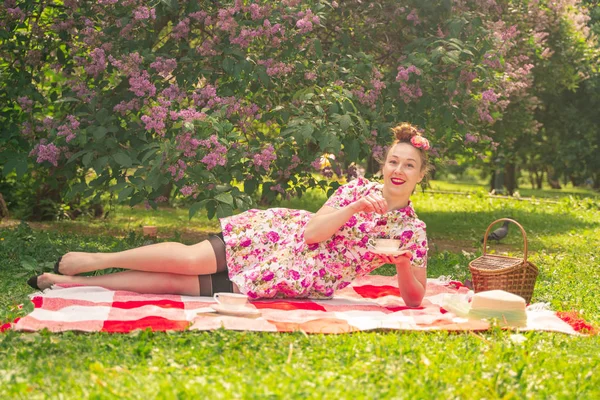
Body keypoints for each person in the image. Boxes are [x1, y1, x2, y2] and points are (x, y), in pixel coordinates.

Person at [28, 122, 431, 307]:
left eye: (408, 165)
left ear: (420, 175)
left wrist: (401, 265)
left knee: (178, 285)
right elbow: (311, 234)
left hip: (295, 277)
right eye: (393, 161)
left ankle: (64, 283)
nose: (398, 171)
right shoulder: (357, 190)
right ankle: (96, 261)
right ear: (383, 165)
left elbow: (415, 300)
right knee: (188, 260)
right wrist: (356, 207)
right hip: (278, 239)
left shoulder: (413, 231)